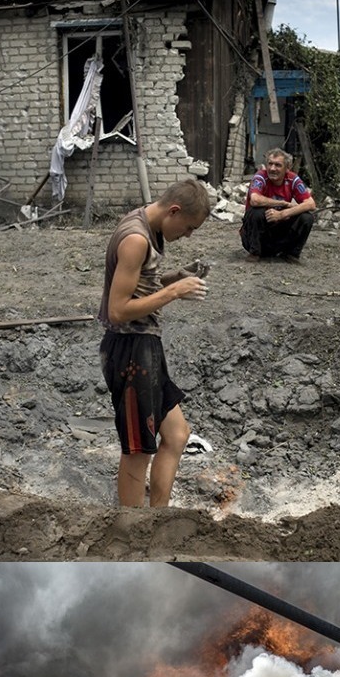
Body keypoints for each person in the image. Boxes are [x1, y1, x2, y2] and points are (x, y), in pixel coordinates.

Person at [99, 187, 214, 521]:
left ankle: (156, 520)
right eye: (189, 228)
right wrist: (174, 292)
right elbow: (118, 310)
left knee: (176, 435)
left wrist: (174, 277)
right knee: (138, 449)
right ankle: (132, 528)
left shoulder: (147, 226)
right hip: (130, 350)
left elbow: (139, 281)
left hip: (146, 346)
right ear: (173, 211)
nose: (188, 235)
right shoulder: (135, 239)